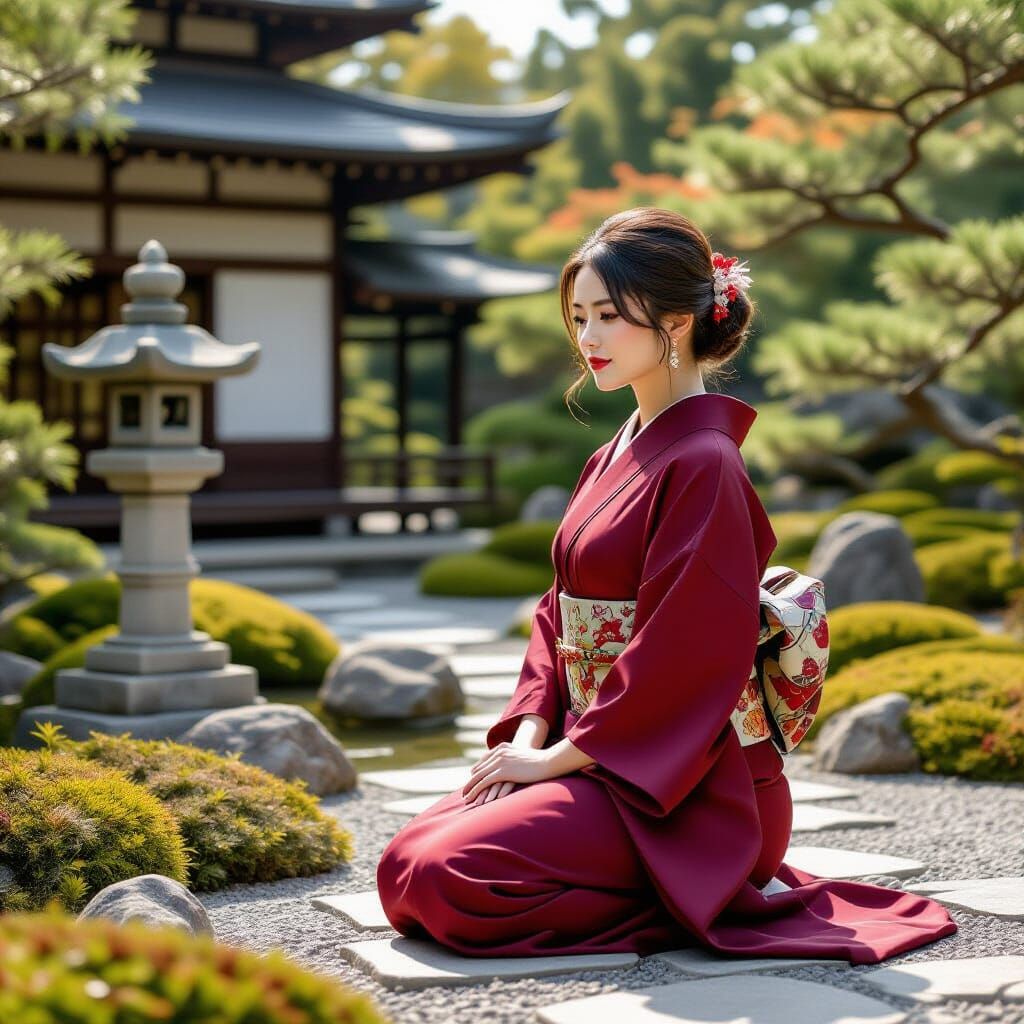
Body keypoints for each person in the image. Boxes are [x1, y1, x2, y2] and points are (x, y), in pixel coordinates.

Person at [375, 207, 957, 962]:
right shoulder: (611, 453)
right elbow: (557, 616)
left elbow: (686, 650)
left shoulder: (706, 461)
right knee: (403, 864)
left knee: (447, 877)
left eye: (609, 316)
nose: (587, 338)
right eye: (578, 317)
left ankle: (697, 894)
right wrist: (529, 735)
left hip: (689, 784)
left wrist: (554, 762)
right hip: (597, 755)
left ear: (677, 323)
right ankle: (668, 892)